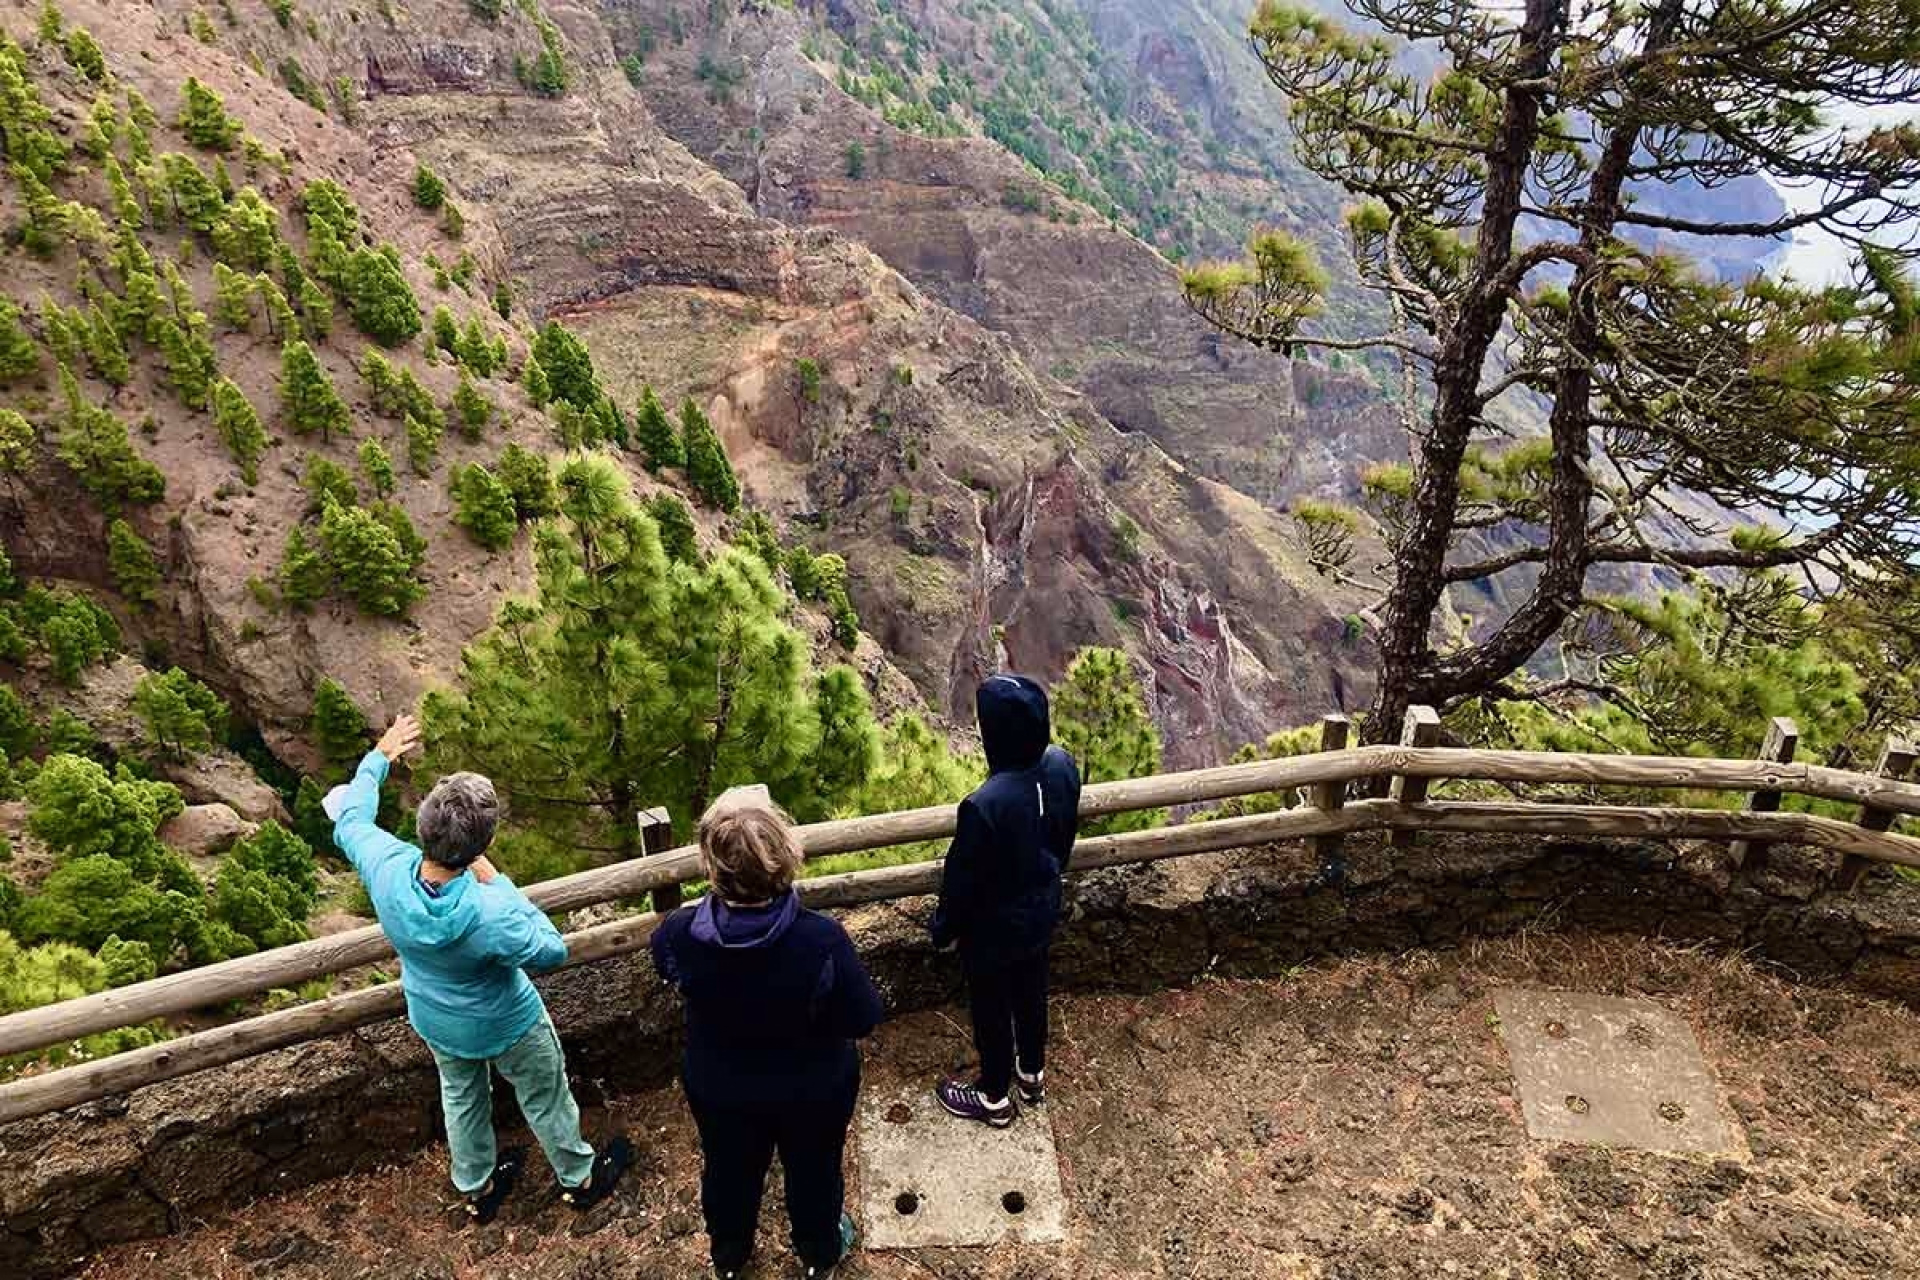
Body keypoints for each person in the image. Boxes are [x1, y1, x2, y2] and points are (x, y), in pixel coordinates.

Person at [332, 713, 632, 1223]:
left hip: (433, 1015)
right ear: (480, 847)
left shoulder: (384, 867)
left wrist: (380, 756)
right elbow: (551, 951)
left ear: (424, 826)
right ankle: (579, 1180)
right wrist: (499, 883)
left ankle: (477, 1185)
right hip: (506, 1022)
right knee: (543, 1094)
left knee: (462, 1097)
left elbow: (351, 817)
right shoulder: (491, 911)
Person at [651, 797, 883, 1280]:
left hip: (720, 1084)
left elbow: (669, 971)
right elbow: (862, 1017)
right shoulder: (821, 940)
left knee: (728, 1170)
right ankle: (819, 1251)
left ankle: (730, 1257)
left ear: (711, 865)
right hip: (812, 1086)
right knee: (815, 1170)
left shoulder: (678, 932)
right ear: (785, 857)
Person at [932, 674, 1083, 1128]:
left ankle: (994, 1096)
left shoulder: (984, 805)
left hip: (994, 930)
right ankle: (1031, 1073)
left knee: (992, 1007)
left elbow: (963, 879)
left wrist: (944, 929)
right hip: (1042, 909)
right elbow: (1064, 833)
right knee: (1032, 991)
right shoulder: (1061, 764)